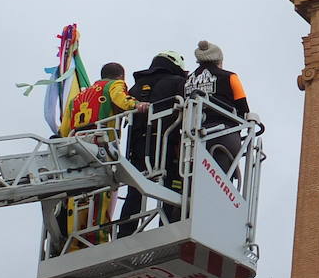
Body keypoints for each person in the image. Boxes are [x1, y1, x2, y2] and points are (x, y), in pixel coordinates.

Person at [59, 62, 147, 245]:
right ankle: (96, 240)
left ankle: (74, 243)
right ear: (121, 76)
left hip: (76, 144)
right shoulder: (114, 85)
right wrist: (137, 105)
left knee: (78, 194)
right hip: (100, 144)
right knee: (102, 192)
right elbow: (120, 99)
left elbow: (65, 127)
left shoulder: (78, 97)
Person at [119, 50, 189, 235]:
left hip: (137, 147)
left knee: (135, 190)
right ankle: (167, 230)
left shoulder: (135, 88)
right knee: (174, 185)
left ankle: (125, 233)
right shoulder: (178, 82)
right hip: (166, 144)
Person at [184, 40, 251, 175]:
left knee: (194, 181)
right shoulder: (230, 77)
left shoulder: (186, 81)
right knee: (222, 183)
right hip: (224, 135)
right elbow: (243, 108)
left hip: (191, 138)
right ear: (219, 61)